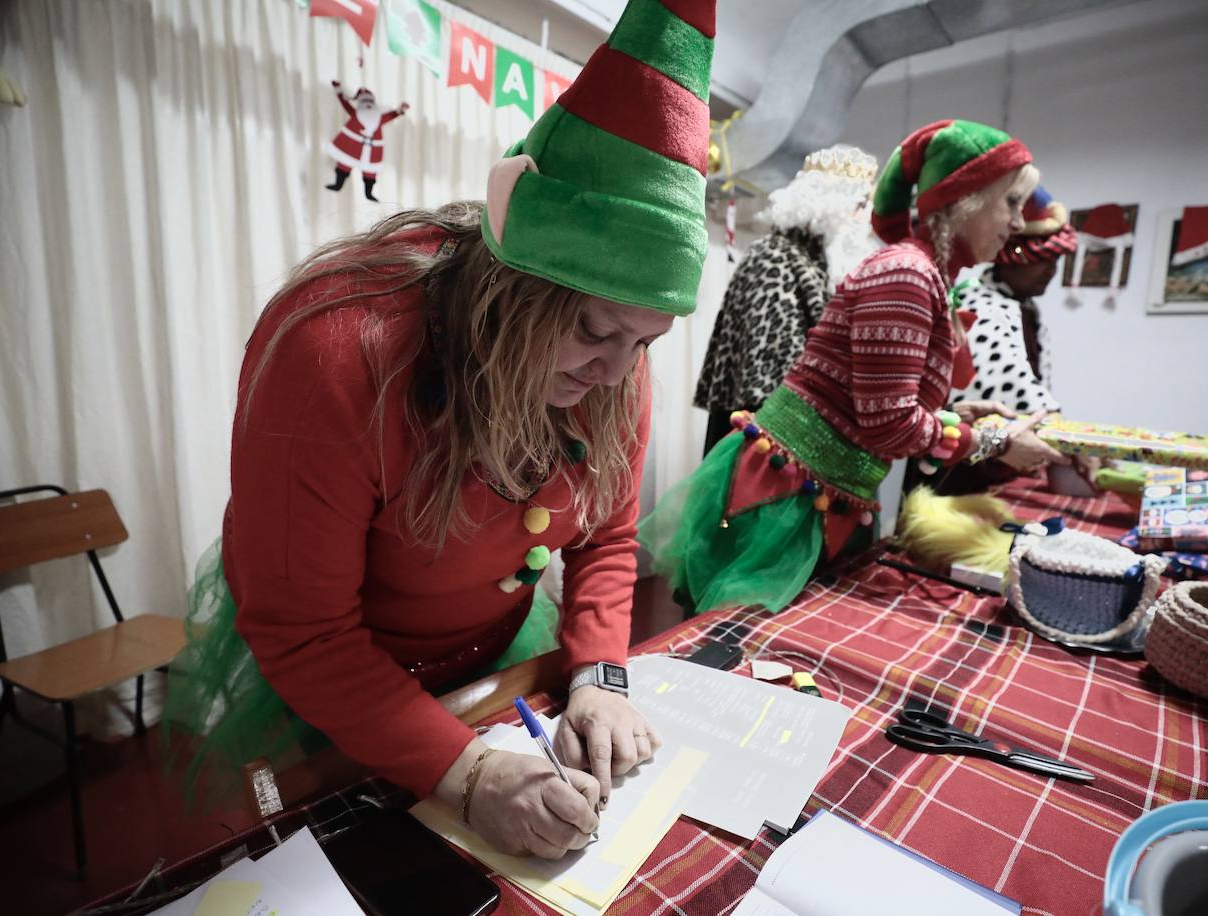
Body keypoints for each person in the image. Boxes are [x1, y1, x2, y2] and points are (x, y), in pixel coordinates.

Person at [164, 0, 718, 861]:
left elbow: (605, 536)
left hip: (497, 668)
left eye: (644, 344)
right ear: (513, 287)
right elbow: (306, 633)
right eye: (594, 333)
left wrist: (601, 675)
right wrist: (466, 774)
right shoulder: (334, 356)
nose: (617, 374)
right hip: (337, 681)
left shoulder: (617, 354)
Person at [641, 119, 1066, 616]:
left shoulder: (920, 273)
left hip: (817, 492)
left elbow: (877, 399)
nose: (1018, 223)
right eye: (1011, 202)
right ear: (962, 198)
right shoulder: (907, 272)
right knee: (746, 643)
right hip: (788, 497)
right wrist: (996, 443)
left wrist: (962, 417)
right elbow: (888, 423)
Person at [694, 146, 878, 455]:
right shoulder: (775, 257)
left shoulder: (820, 264)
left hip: (799, 441)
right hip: (766, 444)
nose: (864, 219)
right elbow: (766, 383)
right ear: (831, 203)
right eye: (859, 205)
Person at [952, 185, 1076, 415]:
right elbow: (1012, 394)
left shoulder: (1027, 309)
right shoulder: (980, 309)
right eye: (1040, 260)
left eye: (1054, 262)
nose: (1050, 271)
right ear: (1009, 257)